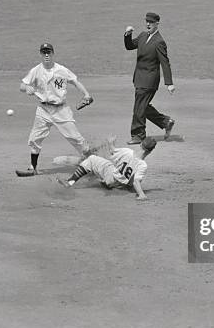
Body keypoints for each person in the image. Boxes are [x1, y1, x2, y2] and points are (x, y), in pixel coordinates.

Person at [16, 43, 93, 177]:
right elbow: (22, 85)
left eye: (49, 52)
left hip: (61, 110)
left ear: (53, 54)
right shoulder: (36, 70)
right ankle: (32, 168)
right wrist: (26, 88)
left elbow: (75, 81)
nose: (46, 55)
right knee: (35, 138)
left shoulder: (62, 70)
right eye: (44, 52)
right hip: (43, 110)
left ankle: (93, 162)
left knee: (76, 138)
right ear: (40, 54)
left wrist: (86, 94)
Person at [124, 12, 175, 145]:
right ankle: (166, 122)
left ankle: (138, 135)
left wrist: (169, 83)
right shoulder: (142, 35)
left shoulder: (159, 41)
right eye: (147, 21)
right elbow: (129, 46)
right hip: (139, 78)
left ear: (157, 24)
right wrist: (128, 35)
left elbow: (165, 62)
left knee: (139, 107)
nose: (148, 24)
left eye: (151, 22)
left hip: (149, 80)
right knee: (143, 106)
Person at [58, 136, 157, 200]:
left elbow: (112, 150)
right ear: (150, 151)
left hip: (111, 178)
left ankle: (70, 182)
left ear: (140, 144)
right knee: (113, 168)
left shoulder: (127, 151)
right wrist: (141, 194)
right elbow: (136, 181)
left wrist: (111, 142)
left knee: (92, 159)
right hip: (121, 185)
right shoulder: (142, 165)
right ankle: (103, 180)